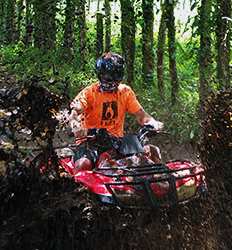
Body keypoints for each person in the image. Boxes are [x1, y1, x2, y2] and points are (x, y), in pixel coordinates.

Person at [68, 52, 163, 171]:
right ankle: (76, 188)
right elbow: (74, 112)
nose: (112, 82)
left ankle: (160, 184)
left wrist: (153, 122)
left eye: (116, 77)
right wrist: (75, 125)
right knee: (83, 165)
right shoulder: (89, 93)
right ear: (100, 75)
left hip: (117, 141)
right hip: (90, 141)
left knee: (152, 152)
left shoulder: (125, 92)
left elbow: (141, 115)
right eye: (108, 78)